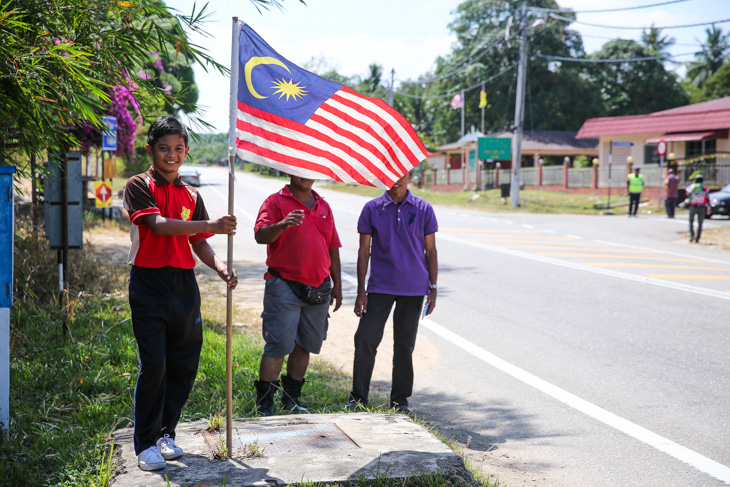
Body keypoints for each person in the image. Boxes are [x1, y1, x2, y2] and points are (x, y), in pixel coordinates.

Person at [123, 115, 238, 471]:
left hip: (183, 286)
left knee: (183, 364)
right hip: (148, 284)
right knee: (154, 364)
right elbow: (157, 226)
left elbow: (198, 242)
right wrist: (212, 225)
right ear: (151, 150)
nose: (171, 155)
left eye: (177, 149)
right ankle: (144, 443)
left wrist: (219, 266)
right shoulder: (138, 185)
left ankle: (165, 433)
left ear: (186, 151)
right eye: (163, 149)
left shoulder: (191, 194)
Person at [347, 170, 438, 415]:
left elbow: (431, 251)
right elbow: (363, 251)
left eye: (402, 174)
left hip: (414, 288)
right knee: (365, 339)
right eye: (389, 173)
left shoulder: (424, 208)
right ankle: (357, 398)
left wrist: (434, 287)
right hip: (379, 286)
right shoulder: (372, 208)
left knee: (404, 345)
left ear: (410, 176)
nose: (396, 179)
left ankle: (400, 401)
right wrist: (361, 291)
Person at [253, 175, 342, 416]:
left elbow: (332, 246)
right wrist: (282, 225)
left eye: (310, 170)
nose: (305, 175)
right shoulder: (275, 201)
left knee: (305, 345)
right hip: (284, 284)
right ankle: (265, 404)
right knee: (279, 344)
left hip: (319, 287)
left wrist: (337, 285)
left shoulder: (323, 205)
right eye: (300, 169)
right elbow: (261, 236)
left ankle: (291, 399)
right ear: (290, 171)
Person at [686, 174, 710, 243]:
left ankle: (691, 235)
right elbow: (708, 198)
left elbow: (687, 194)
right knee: (700, 223)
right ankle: (697, 238)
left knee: (691, 221)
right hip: (702, 207)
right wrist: (709, 207)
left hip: (693, 206)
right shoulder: (704, 188)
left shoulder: (692, 187)